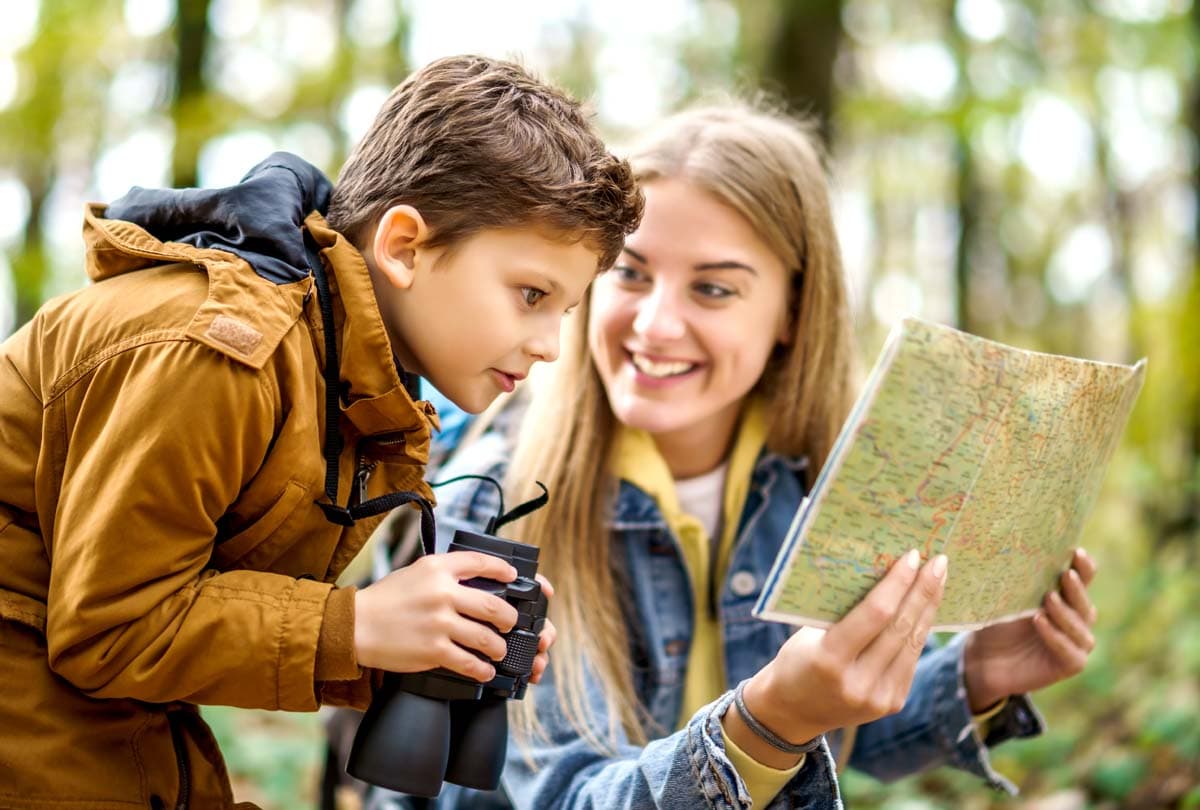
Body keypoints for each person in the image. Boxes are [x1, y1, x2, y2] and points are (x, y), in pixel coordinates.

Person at [414, 99, 1099, 809]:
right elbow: (564, 797)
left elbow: (844, 730)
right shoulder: (498, 504)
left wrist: (976, 676)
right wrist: (771, 723)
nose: (656, 324)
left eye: (712, 288)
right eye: (631, 273)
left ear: (793, 313)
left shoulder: (831, 483)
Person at [0, 55, 642, 809]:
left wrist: (413, 647)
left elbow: (185, 623)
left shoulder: (350, 384)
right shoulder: (220, 352)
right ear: (404, 248)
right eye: (531, 294)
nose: (551, 345)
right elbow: (111, 630)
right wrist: (357, 624)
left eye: (566, 310)